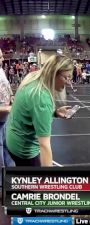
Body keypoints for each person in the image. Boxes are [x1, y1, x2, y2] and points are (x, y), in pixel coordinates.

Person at [6, 55, 74, 166]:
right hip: (24, 150)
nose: (68, 82)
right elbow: (44, 146)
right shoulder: (42, 97)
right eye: (66, 77)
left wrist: (54, 112)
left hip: (13, 140)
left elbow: (31, 111)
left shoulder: (33, 77)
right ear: (54, 73)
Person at [0, 48, 15, 197]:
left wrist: (12, 98)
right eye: (0, 57)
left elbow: (7, 91)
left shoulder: (1, 71)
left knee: (9, 154)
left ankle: (11, 184)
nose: (3, 59)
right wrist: (11, 108)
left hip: (5, 121)